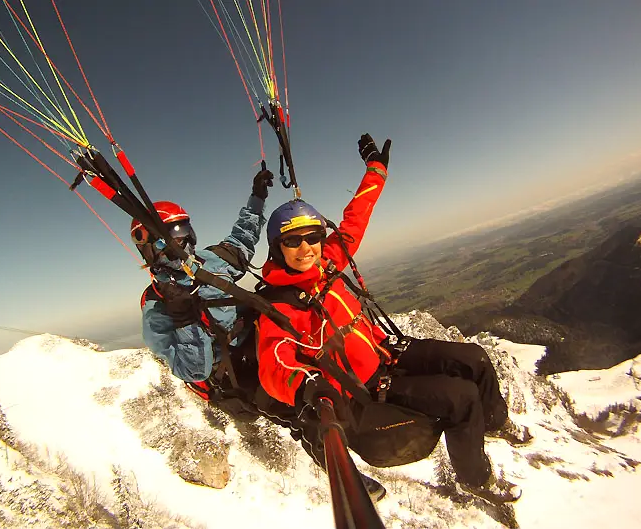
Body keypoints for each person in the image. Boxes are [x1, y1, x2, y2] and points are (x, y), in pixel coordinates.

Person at [254, 133, 528, 504]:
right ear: (276, 246)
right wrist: (306, 387)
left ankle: (496, 422)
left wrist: (376, 171)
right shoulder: (279, 304)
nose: (306, 248)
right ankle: (477, 480)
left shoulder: (328, 262)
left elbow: (354, 219)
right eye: (293, 240)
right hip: (364, 389)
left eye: (313, 236)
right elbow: (274, 365)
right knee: (461, 399)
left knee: (475, 359)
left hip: (388, 352)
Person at [134, 167, 274, 419]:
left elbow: (242, 238)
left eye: (184, 233)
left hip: (255, 342)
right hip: (235, 376)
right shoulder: (157, 305)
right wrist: (184, 321)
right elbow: (195, 371)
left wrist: (257, 197)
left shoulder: (211, 261)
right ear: (151, 251)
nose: (184, 244)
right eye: (173, 239)